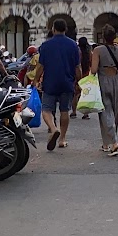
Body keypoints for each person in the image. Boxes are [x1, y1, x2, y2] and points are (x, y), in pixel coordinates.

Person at [36, 19, 81, 151]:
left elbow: (40, 66)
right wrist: (79, 82)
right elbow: (77, 67)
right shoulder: (73, 45)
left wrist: (35, 80)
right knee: (64, 111)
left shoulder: (45, 46)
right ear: (65, 30)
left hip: (50, 83)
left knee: (46, 110)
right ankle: (62, 139)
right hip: (67, 82)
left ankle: (53, 128)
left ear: (53, 29)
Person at [91, 25, 118, 156]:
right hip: (116, 81)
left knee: (105, 112)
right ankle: (106, 143)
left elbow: (94, 70)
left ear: (103, 37)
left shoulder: (98, 50)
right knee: (115, 111)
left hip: (103, 80)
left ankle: (114, 142)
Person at [72, 35, 93, 118]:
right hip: (87, 74)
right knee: (86, 94)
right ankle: (86, 113)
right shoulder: (89, 52)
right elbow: (91, 63)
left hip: (77, 74)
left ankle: (74, 112)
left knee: (75, 94)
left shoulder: (77, 51)